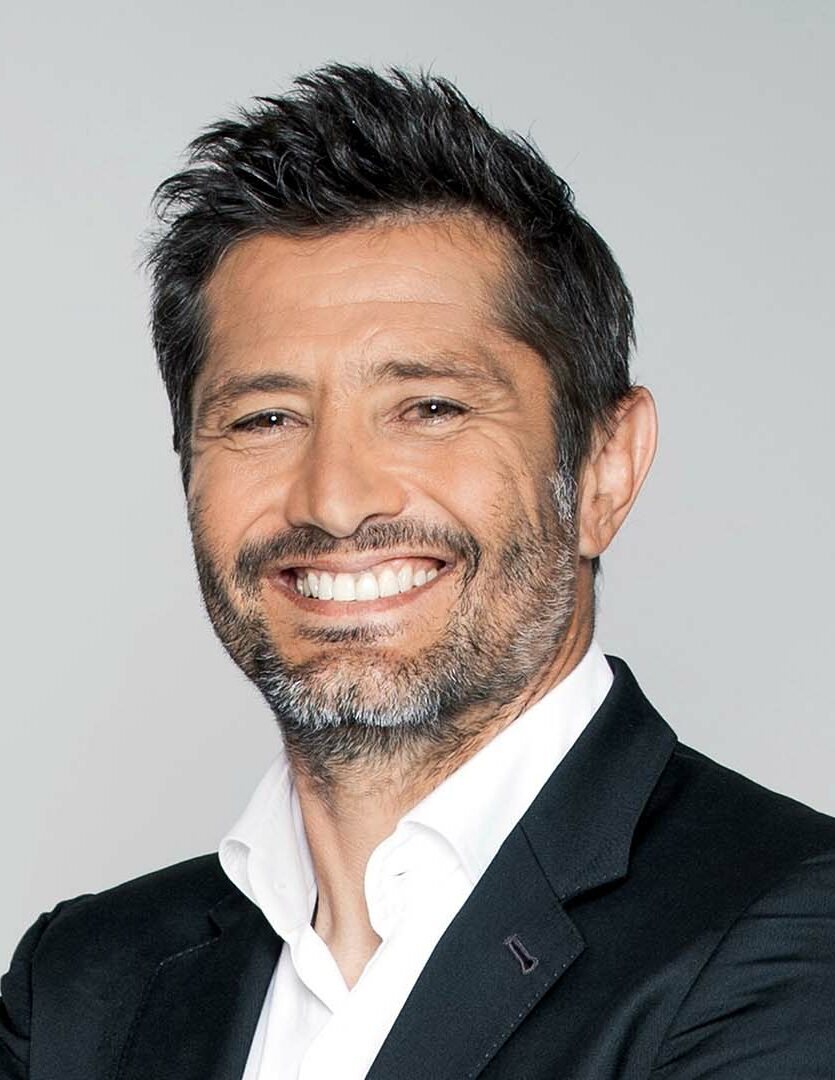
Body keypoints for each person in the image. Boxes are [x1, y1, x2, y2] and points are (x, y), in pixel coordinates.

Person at [2, 64, 834, 1080]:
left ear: (604, 471)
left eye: (430, 408)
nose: (334, 499)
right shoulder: (81, 986)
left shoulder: (792, 934)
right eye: (264, 419)